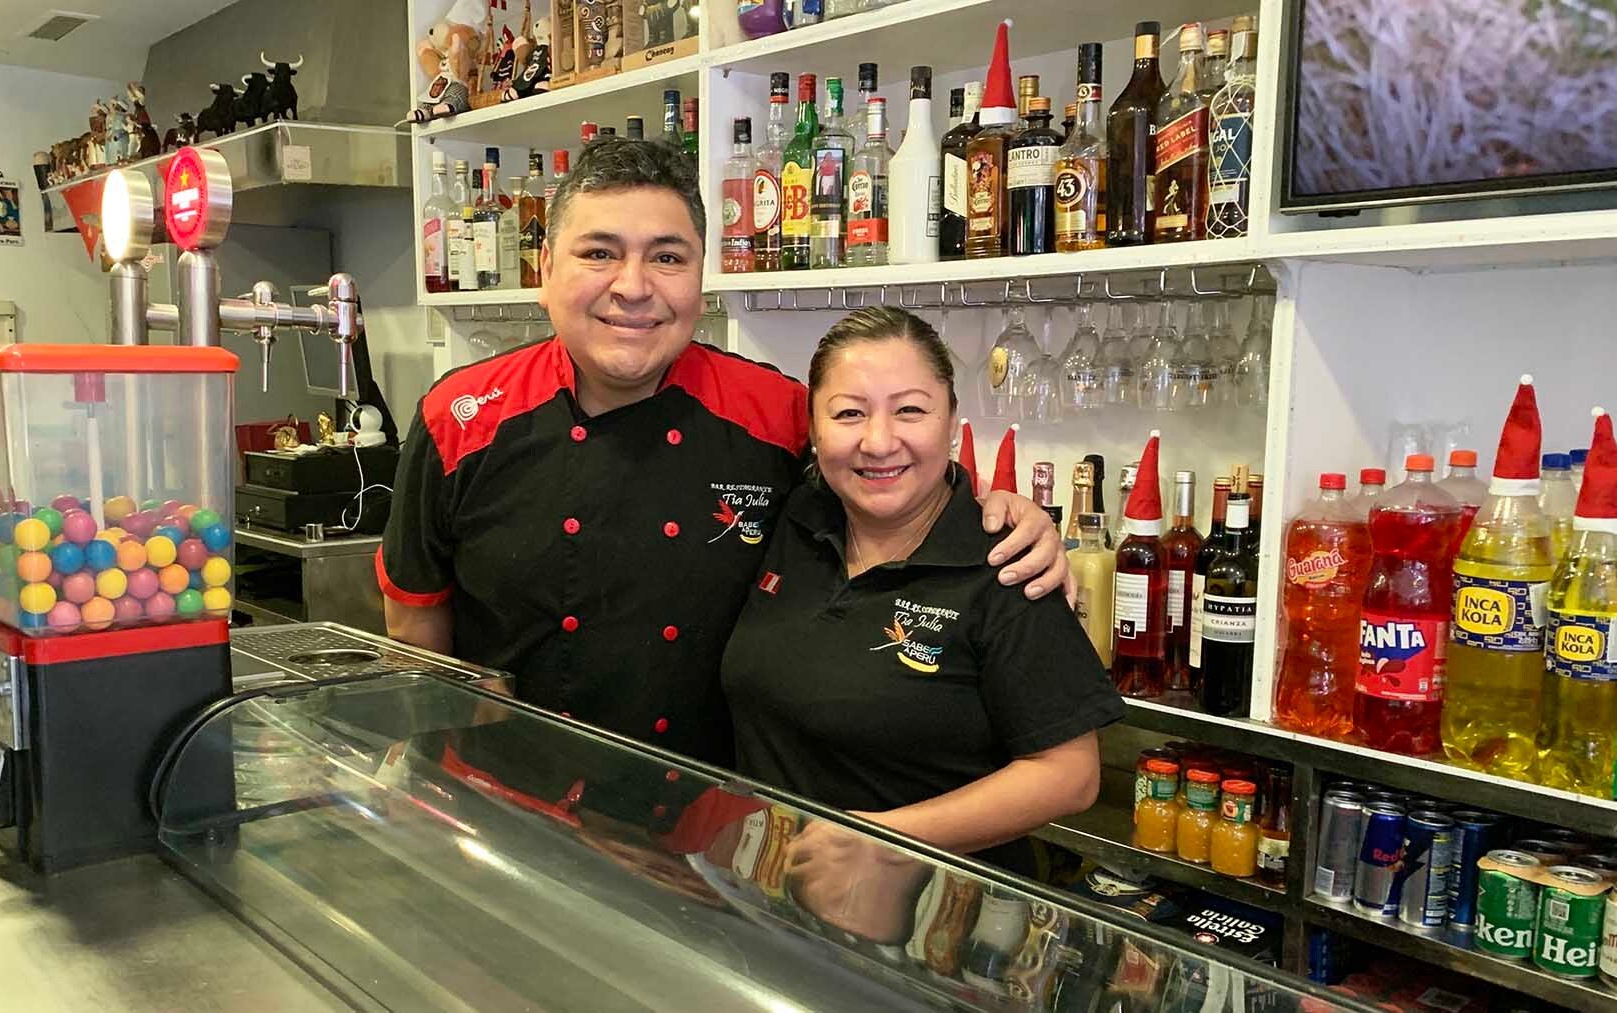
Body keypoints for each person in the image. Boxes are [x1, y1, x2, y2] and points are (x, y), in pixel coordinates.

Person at [378, 139, 1068, 777]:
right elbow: (415, 629)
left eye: (668, 257)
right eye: (599, 253)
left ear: (698, 282)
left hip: (704, 821)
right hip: (505, 796)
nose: (634, 286)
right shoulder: (459, 416)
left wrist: (998, 508)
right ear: (545, 272)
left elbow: (886, 476)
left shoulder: (771, 410)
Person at [722, 306, 1125, 888]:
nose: (879, 441)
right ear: (812, 428)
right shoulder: (793, 518)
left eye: (910, 409)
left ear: (951, 420)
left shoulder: (1004, 562)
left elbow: (1069, 774)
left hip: (939, 922)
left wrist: (884, 840)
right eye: (849, 413)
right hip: (772, 897)